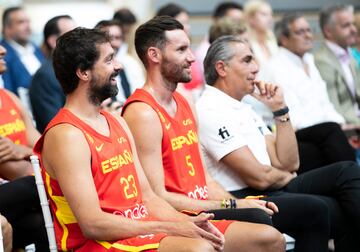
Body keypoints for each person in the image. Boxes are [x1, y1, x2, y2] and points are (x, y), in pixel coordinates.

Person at [34, 26, 284, 252]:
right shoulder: (66, 134)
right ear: (83, 72)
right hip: (101, 244)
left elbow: (149, 197)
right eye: (109, 59)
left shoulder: (116, 121)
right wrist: (175, 228)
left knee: (268, 238)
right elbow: (93, 224)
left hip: (143, 229)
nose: (119, 66)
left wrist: (189, 223)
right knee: (200, 249)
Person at [121, 16, 286, 252]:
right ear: (154, 55)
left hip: (203, 204)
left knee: (279, 219)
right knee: (269, 232)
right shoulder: (142, 112)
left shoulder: (186, 100)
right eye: (181, 49)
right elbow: (157, 196)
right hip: (182, 212)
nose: (191, 57)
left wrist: (237, 203)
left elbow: (205, 179)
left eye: (189, 47)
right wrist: (232, 204)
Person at [197, 35, 360, 251]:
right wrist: (288, 176)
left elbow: (288, 162)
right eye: (247, 60)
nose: (256, 68)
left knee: (347, 172)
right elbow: (259, 177)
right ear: (222, 68)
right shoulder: (210, 109)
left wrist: (279, 109)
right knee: (332, 209)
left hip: (273, 186)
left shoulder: (245, 106)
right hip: (245, 196)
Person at [246, 13, 355, 173]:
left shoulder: (310, 60)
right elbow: (293, 114)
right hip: (289, 129)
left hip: (320, 129)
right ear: (283, 38)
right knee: (330, 130)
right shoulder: (276, 66)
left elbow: (324, 102)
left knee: (335, 131)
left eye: (309, 30)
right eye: (300, 32)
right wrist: (332, 125)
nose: (308, 35)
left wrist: (340, 123)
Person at [0, 43, 48, 251]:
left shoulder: (9, 97)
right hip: (19, 185)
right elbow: (13, 167)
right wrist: (34, 158)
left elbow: (43, 146)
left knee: (40, 223)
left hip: (18, 190)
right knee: (40, 184)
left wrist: (25, 151)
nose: (3, 51)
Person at [29, 15, 76, 133]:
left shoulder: (74, 68)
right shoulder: (45, 76)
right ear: (53, 41)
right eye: (72, 35)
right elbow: (55, 123)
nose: (78, 40)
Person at [315, 4, 360, 125]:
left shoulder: (350, 53)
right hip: (348, 125)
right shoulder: (322, 61)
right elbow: (335, 109)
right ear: (328, 31)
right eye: (346, 25)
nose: (354, 30)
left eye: (353, 24)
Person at [95, 20, 144, 105]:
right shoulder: (92, 67)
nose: (113, 43)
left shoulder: (130, 63)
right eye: (109, 38)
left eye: (118, 38)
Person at [1, 7, 44, 95]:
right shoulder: (2, 56)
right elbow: (7, 93)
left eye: (28, 22)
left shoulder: (36, 49)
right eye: (21, 22)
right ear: (7, 28)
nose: (27, 26)